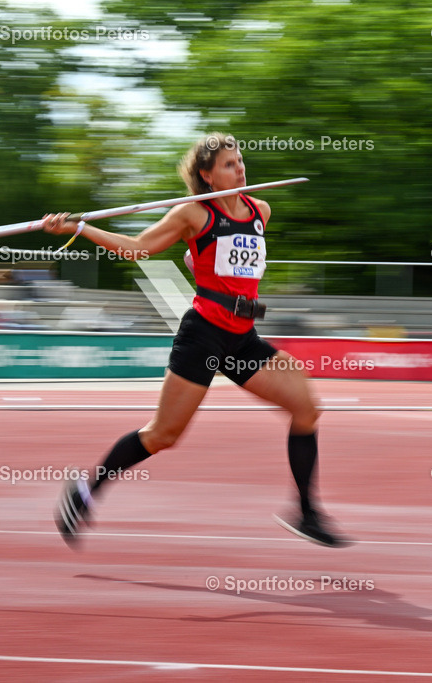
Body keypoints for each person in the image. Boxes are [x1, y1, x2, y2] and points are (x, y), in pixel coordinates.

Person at [42, 133, 348, 548]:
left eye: (240, 161)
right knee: (163, 435)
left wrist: (195, 259)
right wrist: (81, 227)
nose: (239, 169)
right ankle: (85, 491)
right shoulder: (192, 213)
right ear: (207, 176)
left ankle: (307, 513)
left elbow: (222, 260)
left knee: (307, 408)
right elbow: (138, 249)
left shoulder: (261, 209)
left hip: (243, 338)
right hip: (203, 337)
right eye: (228, 164)